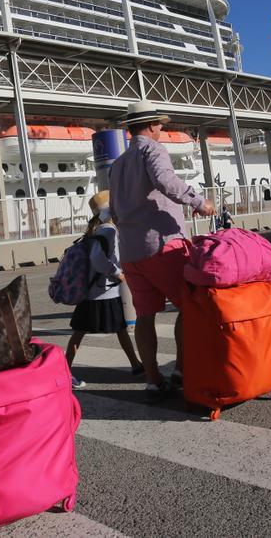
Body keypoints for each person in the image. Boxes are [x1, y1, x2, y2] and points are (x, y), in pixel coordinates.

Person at [109, 101, 215, 403]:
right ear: (152, 125)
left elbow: (114, 210)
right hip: (161, 244)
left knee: (145, 316)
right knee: (191, 304)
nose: (162, 129)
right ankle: (182, 370)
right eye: (160, 124)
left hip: (130, 250)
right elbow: (165, 181)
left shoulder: (118, 164)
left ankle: (154, 380)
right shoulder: (152, 150)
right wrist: (198, 201)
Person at [65, 191, 144, 389]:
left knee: (83, 332)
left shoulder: (97, 229)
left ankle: (135, 364)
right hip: (104, 291)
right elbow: (98, 258)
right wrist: (117, 273)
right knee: (116, 330)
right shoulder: (109, 231)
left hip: (93, 291)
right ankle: (65, 372)